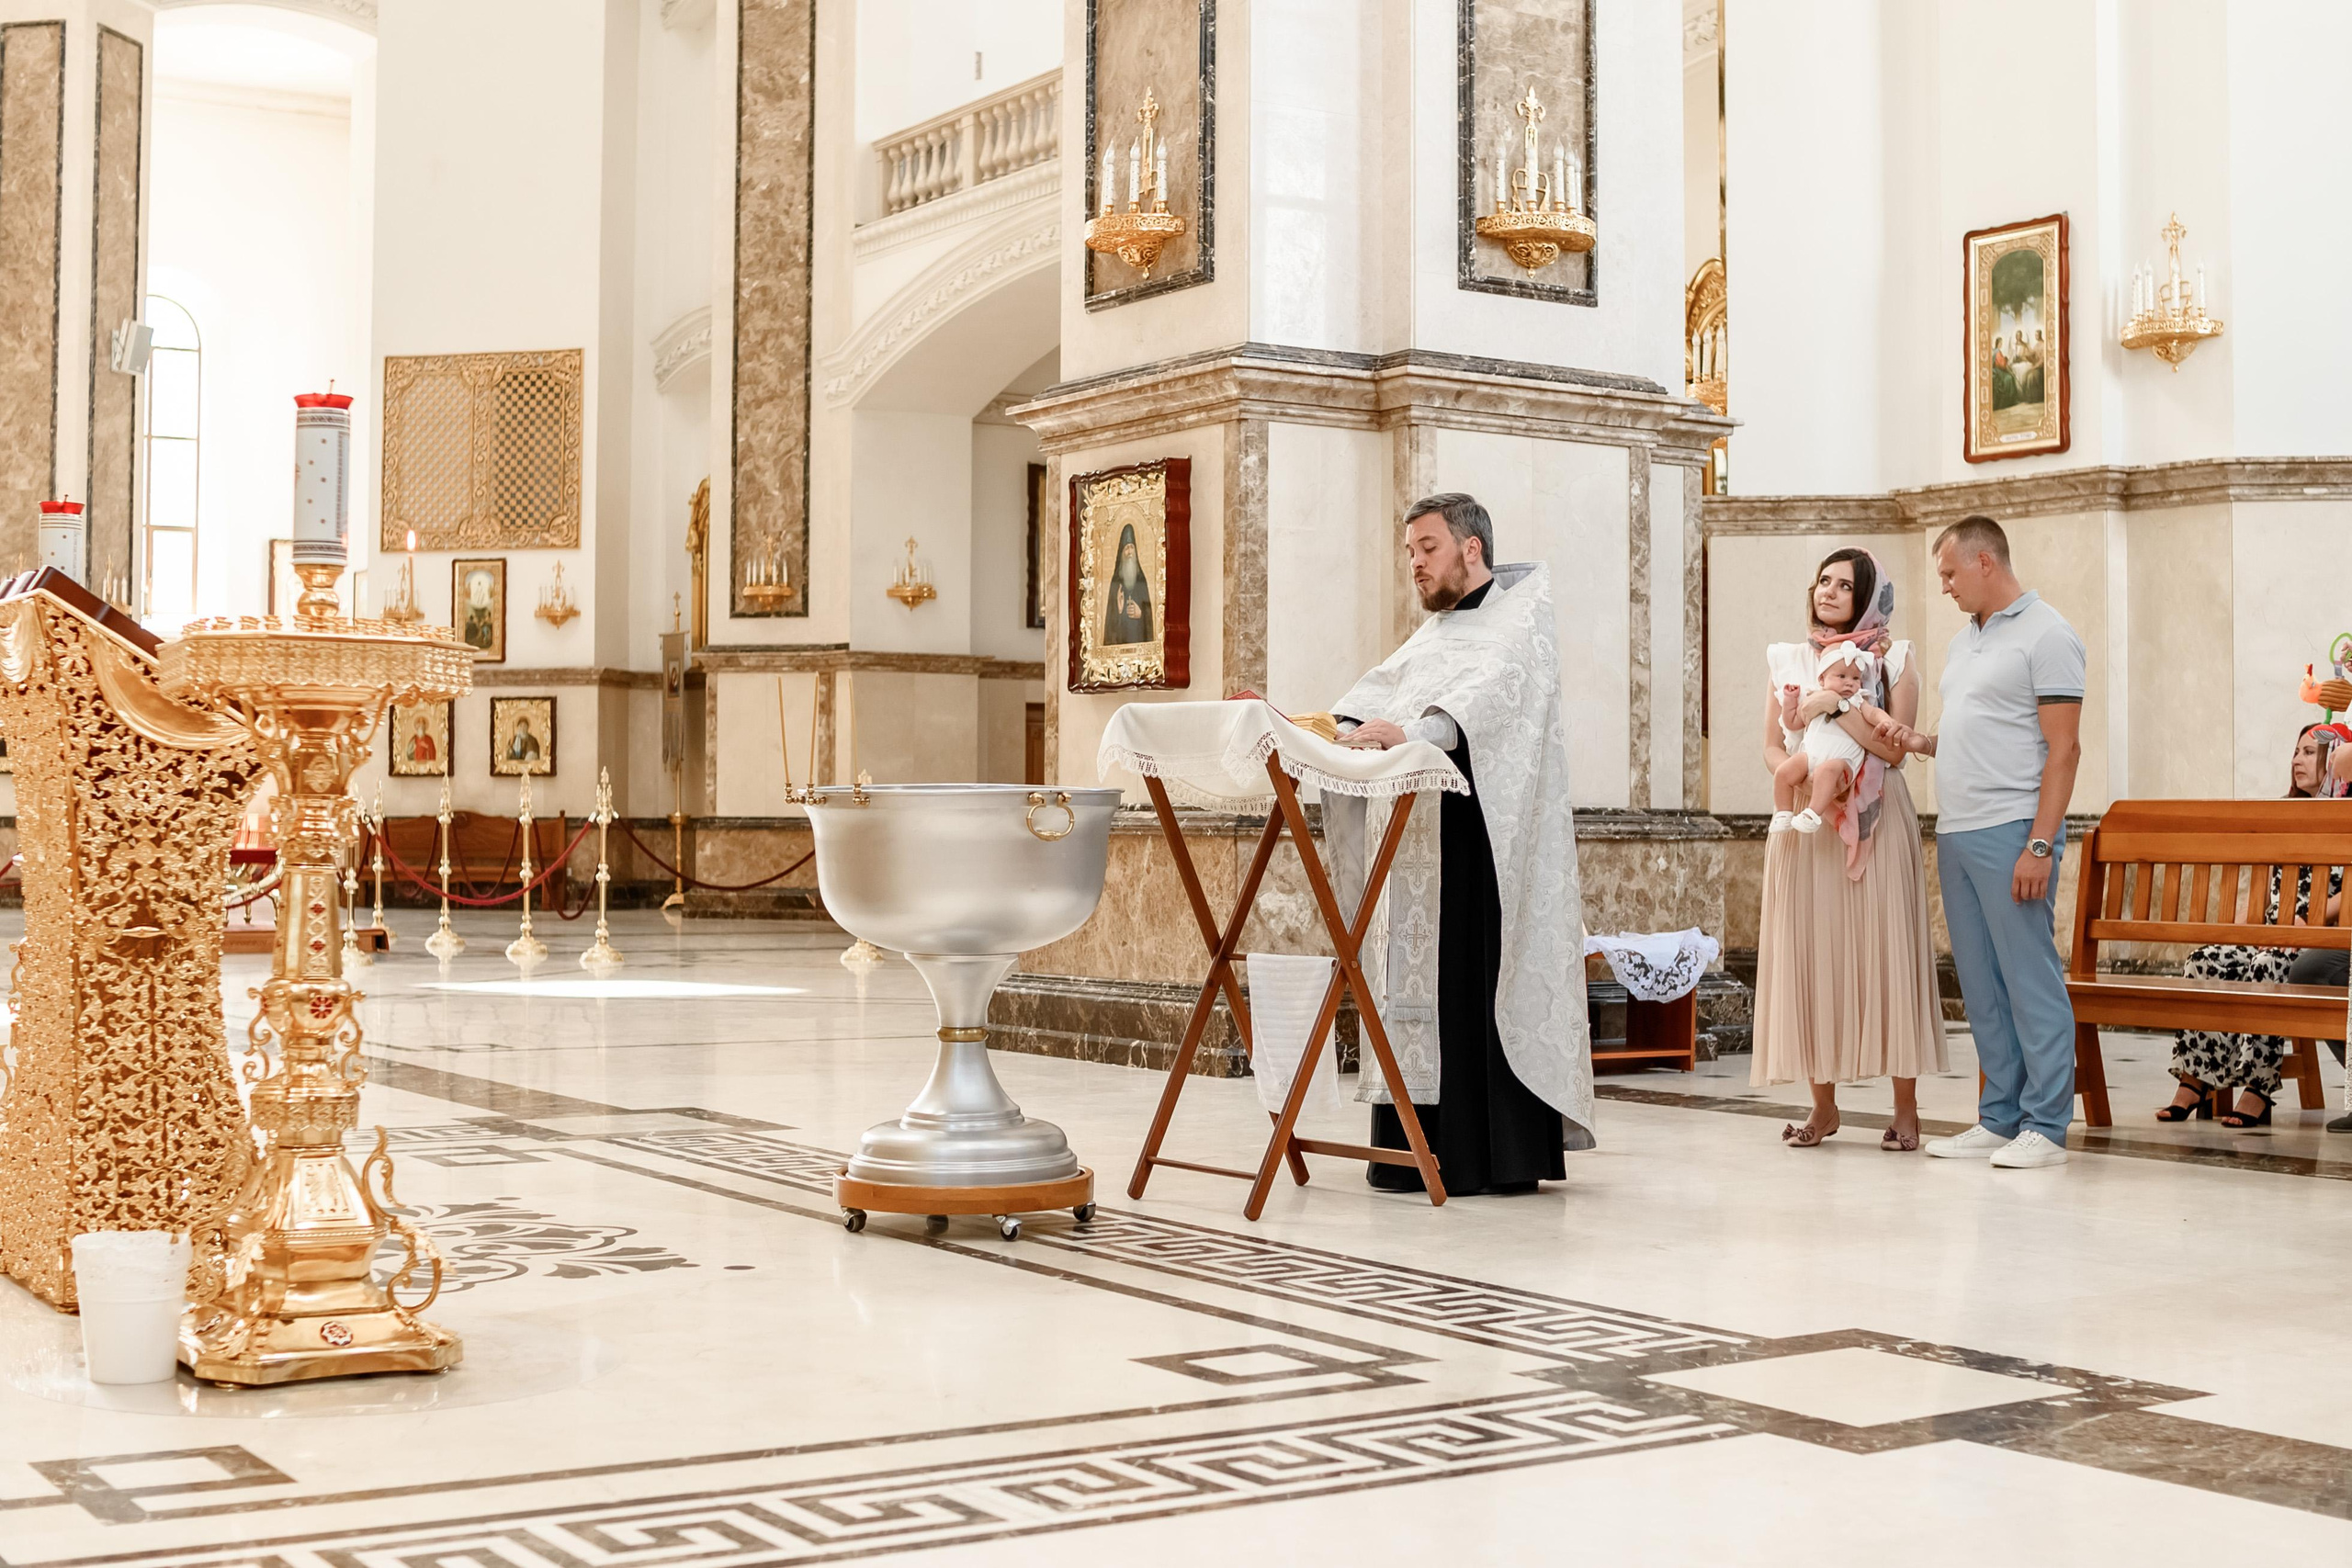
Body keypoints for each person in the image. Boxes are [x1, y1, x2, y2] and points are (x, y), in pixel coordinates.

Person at [1326, 492, 1591, 1194]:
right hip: (1416, 832)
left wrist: (1408, 733)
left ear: (1471, 549)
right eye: (1410, 550)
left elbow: (1484, 706)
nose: (1415, 563)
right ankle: (1415, 1151)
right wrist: (1328, 725)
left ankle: (1486, 1156)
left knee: (1473, 982)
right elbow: (1378, 692)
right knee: (1422, 983)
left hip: (1484, 845)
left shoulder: (1521, 622)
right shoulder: (1435, 634)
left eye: (1428, 547)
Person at [1876, 515, 2085, 1169]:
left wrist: (2041, 844)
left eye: (1948, 573)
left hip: (2013, 830)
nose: (1943, 586)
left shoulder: (2049, 634)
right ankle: (1999, 1118)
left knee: (2029, 979)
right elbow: (1982, 728)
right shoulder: (1965, 640)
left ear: (1984, 561)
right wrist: (1922, 742)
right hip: (1958, 831)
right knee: (1983, 986)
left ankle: (2047, 1126)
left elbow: (2064, 749)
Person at [1753, 548, 1944, 1149]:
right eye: (1824, 580)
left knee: (1887, 954)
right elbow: (1770, 745)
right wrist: (1800, 776)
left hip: (1879, 822)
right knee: (1813, 957)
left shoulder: (1897, 658)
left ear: (1867, 597)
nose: (1830, 591)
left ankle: (1906, 1110)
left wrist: (1835, 702)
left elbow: (1894, 750)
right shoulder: (1787, 659)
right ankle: (1823, 1107)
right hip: (1808, 829)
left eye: (1845, 584)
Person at [2157, 724, 2346, 1128]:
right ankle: (2194, 1081)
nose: (2298, 760)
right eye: (2296, 751)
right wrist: (2236, 931)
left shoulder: (2345, 814)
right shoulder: (2282, 812)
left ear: (2335, 761)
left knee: (2269, 966)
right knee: (2205, 961)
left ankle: (2258, 1090)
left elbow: (2347, 895)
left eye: (2310, 753)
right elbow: (2262, 889)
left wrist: (2311, 923)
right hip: (2270, 930)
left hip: (2316, 935)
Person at [1774, 645, 1894, 835]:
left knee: (1827, 771)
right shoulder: (1814, 698)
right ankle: (1783, 812)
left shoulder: (1857, 701)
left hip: (1842, 761)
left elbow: (1874, 713)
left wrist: (1887, 722)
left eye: (1855, 678)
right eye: (1842, 677)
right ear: (1822, 679)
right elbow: (1792, 722)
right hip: (1810, 756)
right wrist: (1790, 700)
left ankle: (1812, 814)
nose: (1850, 683)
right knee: (1783, 772)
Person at [1102, 525, 1153, 645]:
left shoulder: (1142, 581)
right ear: (1121, 553)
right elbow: (1110, 625)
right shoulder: (1116, 583)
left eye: (1132, 547)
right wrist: (1119, 610)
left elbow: (1149, 619)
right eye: (1126, 548)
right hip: (1120, 644)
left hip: (1140, 646)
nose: (1129, 552)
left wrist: (1140, 613)